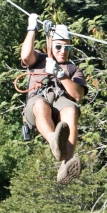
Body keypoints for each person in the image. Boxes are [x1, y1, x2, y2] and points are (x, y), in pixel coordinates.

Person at [20, 13, 86, 183]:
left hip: (60, 102)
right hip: (38, 102)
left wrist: (62, 75)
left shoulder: (72, 69)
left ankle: (66, 163)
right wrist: (31, 28)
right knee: (41, 105)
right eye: (58, 47)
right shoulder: (39, 59)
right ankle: (53, 141)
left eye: (67, 48)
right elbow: (26, 56)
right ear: (49, 45)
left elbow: (78, 95)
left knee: (71, 110)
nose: (63, 51)